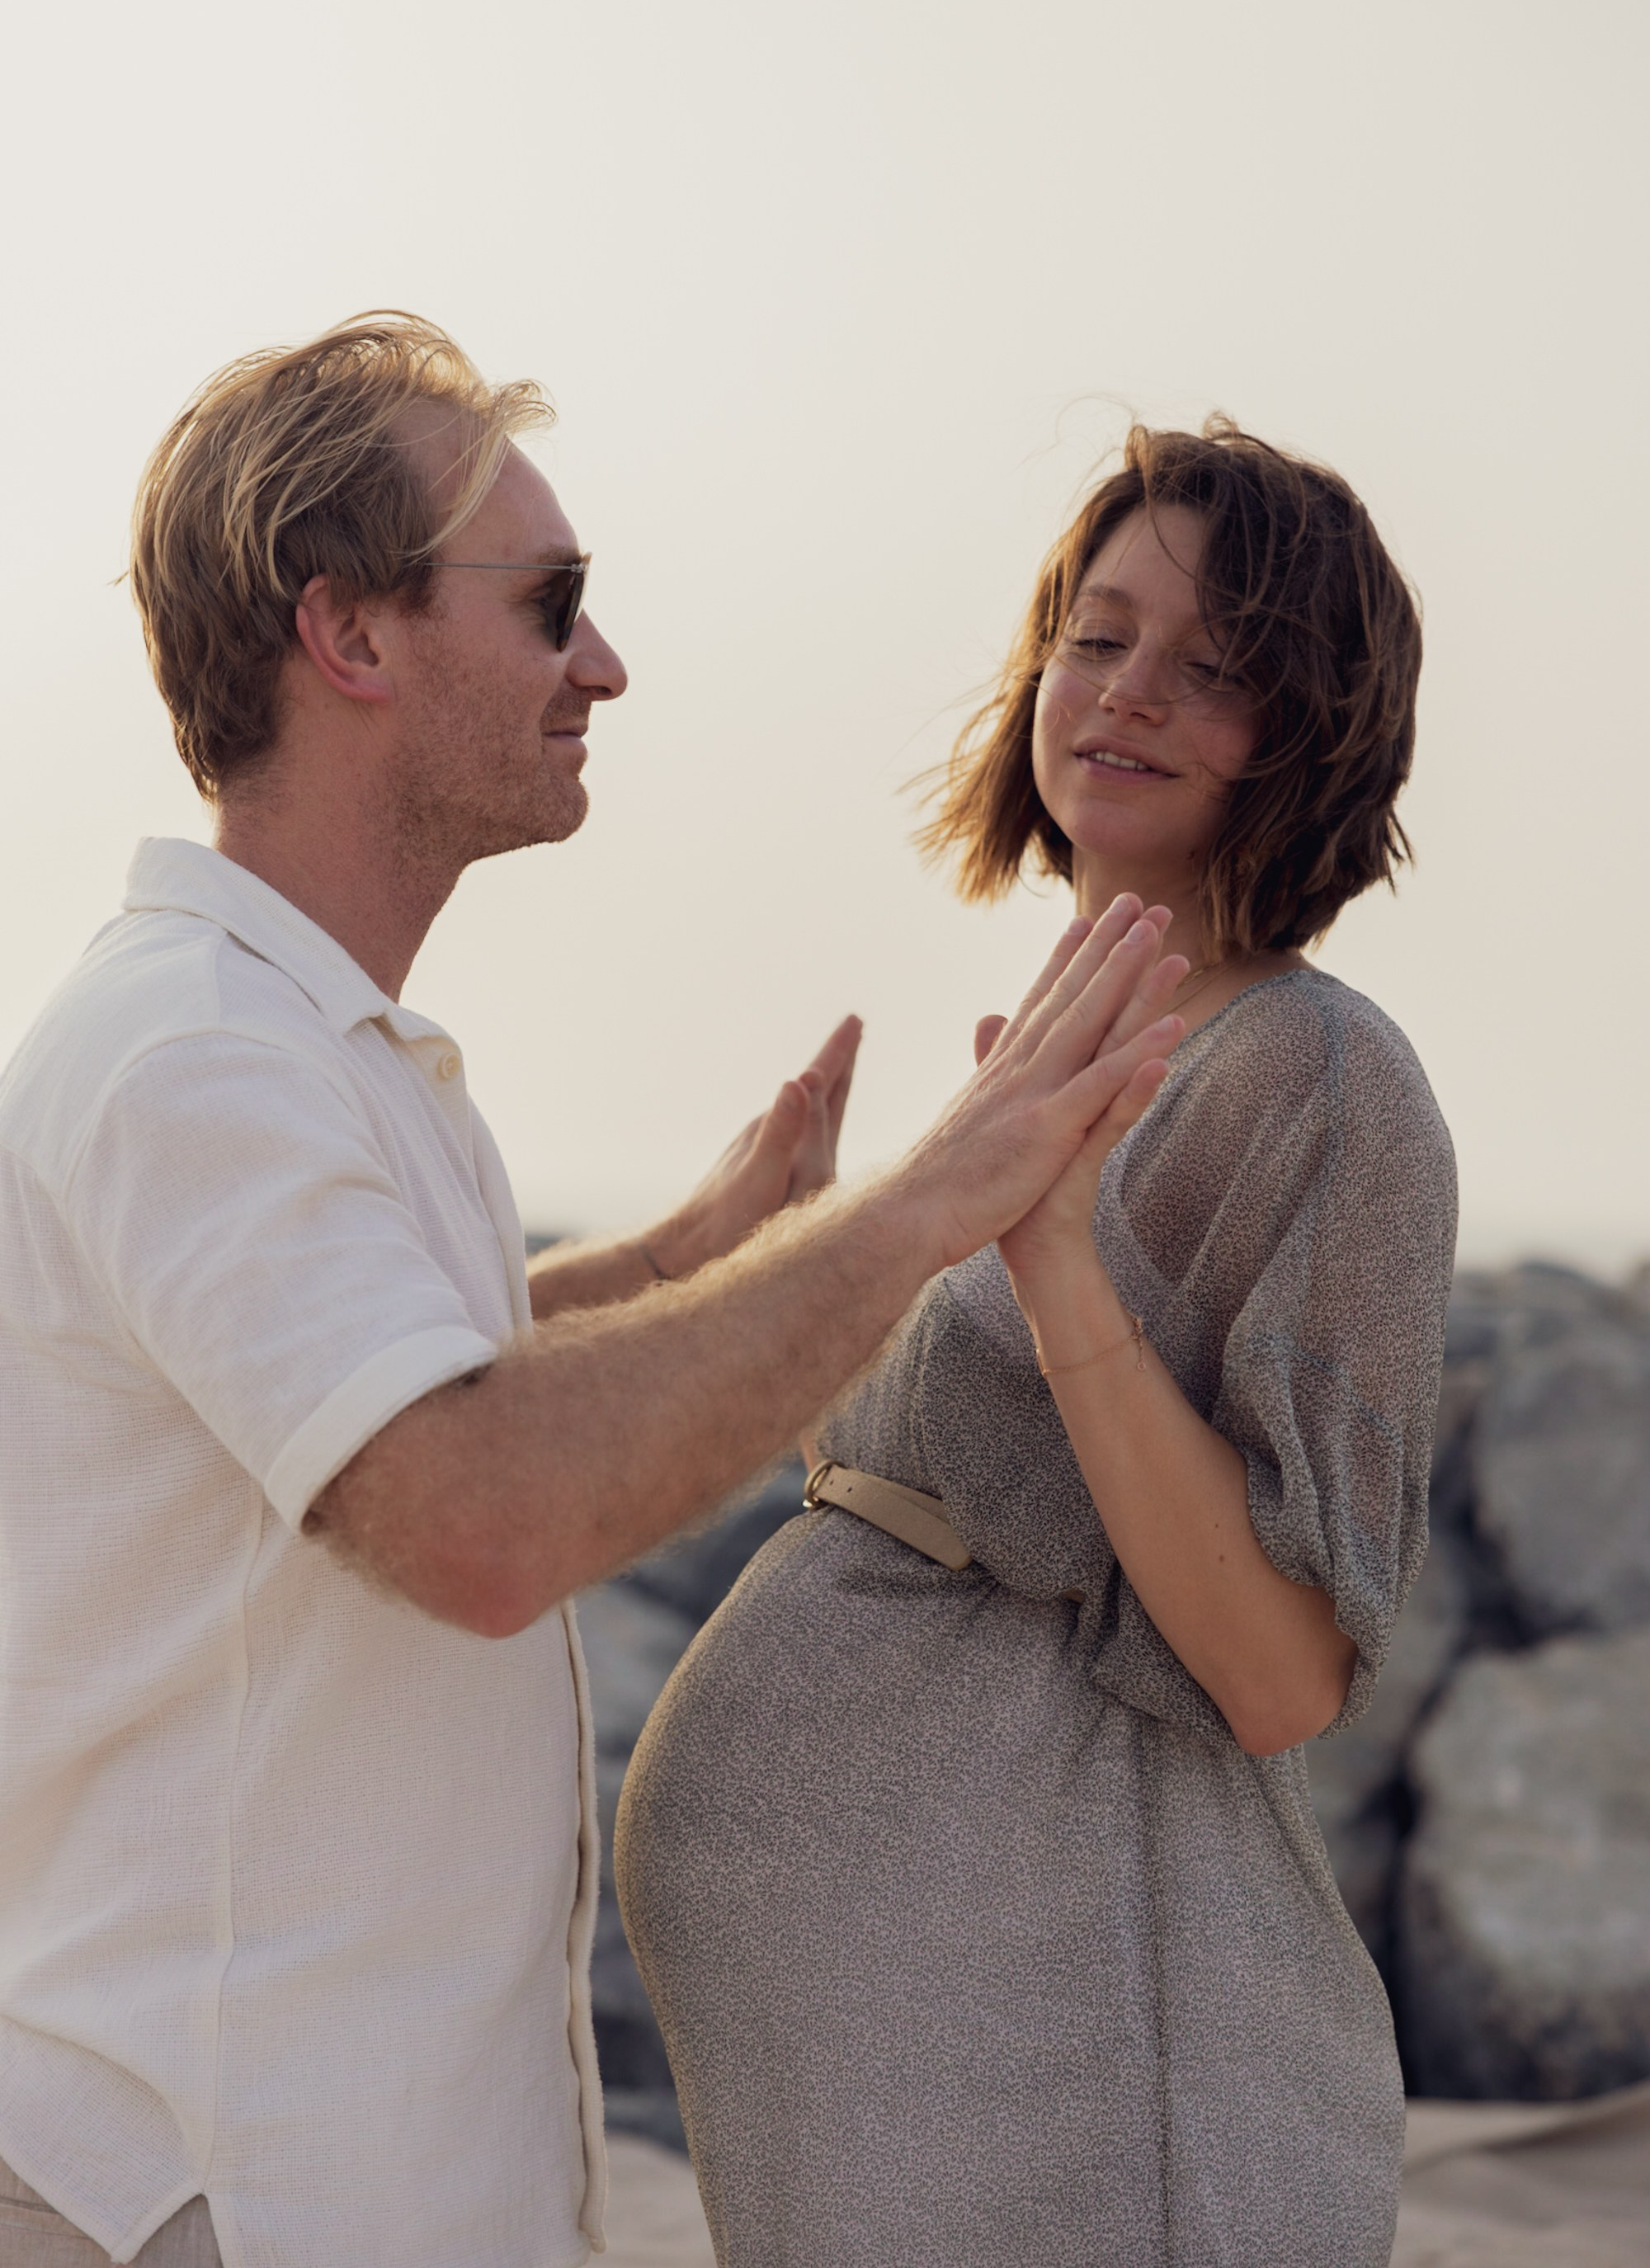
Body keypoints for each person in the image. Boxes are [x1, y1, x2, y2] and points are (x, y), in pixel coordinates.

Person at [0, 315, 1188, 2268]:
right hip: (235, 2195)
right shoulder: (195, 1059)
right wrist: (925, 1205)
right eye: (549, 604)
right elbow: (470, 1514)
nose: (604, 663)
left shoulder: (318, 1052)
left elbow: (358, 1396)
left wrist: (680, 1268)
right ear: (349, 635)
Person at [617, 418, 1458, 2267]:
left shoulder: (1323, 1082)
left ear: (1313, 724)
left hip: (1080, 2059)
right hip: (890, 2060)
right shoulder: (1066, 1046)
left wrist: (1055, 1261)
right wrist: (772, 1254)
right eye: (1097, 637)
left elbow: (1279, 1676)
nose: (1128, 691)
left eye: (1213, 665)